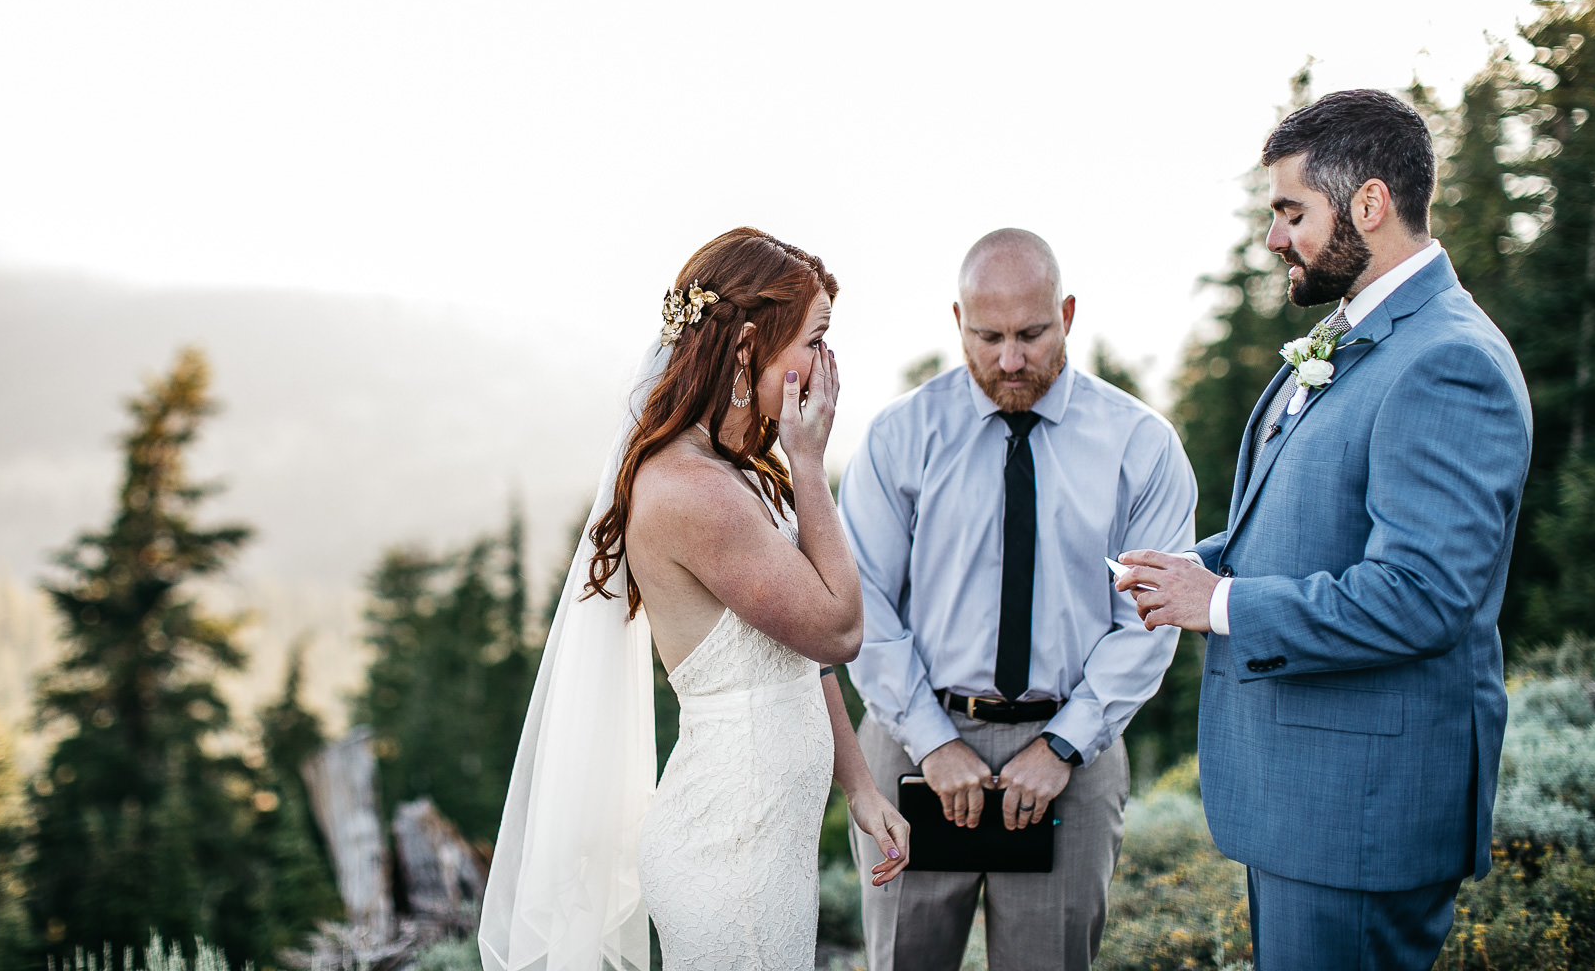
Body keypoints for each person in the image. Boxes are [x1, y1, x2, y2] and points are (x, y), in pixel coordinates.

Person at [1116, 89, 1532, 971]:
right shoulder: (1359, 335)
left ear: (1370, 204)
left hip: (1362, 815)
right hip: (1308, 805)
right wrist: (1182, 569)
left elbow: (1421, 599)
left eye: (1291, 211)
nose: (1275, 238)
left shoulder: (1448, 360)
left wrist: (1219, 602)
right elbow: (1311, 530)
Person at [480, 227, 910, 971]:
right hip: (728, 850)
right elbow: (840, 629)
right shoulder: (692, 491)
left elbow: (803, 655)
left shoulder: (740, 467)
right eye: (814, 341)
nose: (827, 367)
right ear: (748, 350)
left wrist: (860, 786)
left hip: (765, 842)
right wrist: (811, 464)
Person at [840, 229, 1196, 971]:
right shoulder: (898, 438)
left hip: (1073, 755)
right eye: (988, 336)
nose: (1009, 359)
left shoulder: (1142, 446)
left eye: (1031, 334)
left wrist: (1065, 743)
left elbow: (1149, 618)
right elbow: (863, 603)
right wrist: (933, 741)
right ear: (957, 322)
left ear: (1066, 313)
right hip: (914, 746)